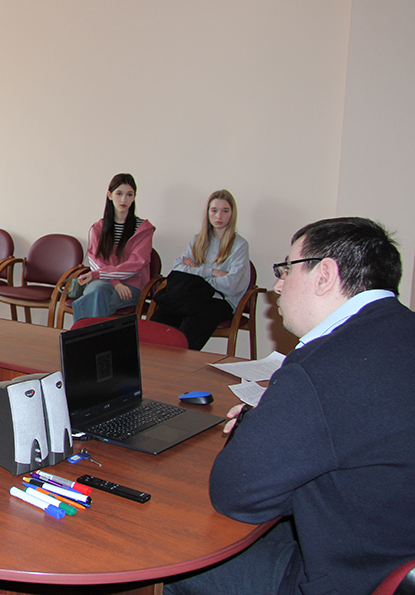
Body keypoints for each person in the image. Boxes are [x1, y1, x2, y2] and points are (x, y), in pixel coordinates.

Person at [165, 217, 415, 595]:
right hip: (389, 549)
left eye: (286, 269)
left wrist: (255, 428)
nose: (278, 285)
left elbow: (235, 496)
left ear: (324, 275)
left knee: (166, 553)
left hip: (348, 578)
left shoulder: (321, 368)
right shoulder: (399, 333)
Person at [150, 189, 250, 350]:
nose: (219, 216)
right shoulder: (199, 240)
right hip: (193, 295)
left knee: (192, 324)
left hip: (221, 300)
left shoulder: (239, 245)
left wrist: (197, 271)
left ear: (232, 214)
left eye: (225, 211)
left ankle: (180, 363)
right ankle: (153, 360)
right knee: (161, 318)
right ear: (208, 213)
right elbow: (178, 268)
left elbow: (231, 285)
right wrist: (212, 272)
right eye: (214, 210)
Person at [70, 173, 155, 321]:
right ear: (110, 195)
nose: (124, 199)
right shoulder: (98, 228)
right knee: (97, 292)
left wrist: (110, 280)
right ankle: (93, 335)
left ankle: (84, 333)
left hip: (130, 287)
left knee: (95, 299)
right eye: (119, 193)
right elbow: (95, 261)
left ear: (134, 197)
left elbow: (135, 264)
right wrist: (115, 283)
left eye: (129, 195)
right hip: (102, 283)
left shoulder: (143, 229)